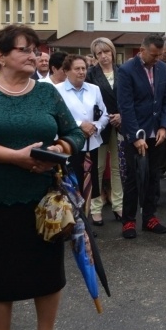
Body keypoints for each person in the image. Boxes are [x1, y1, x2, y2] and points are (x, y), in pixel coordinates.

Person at [0, 24, 84, 330]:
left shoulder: (46, 92)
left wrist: (58, 149)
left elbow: (75, 134)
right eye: (25, 49)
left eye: (35, 49)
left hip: (42, 202)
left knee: (47, 276)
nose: (34, 55)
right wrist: (15, 157)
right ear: (1, 56)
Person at [117, 34, 166, 239]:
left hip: (156, 133)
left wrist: (164, 127)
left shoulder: (163, 69)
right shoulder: (126, 70)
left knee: (153, 176)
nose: (157, 59)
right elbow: (126, 106)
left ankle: (150, 217)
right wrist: (135, 136)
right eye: (154, 55)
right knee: (133, 178)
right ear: (142, 50)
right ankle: (129, 221)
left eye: (160, 55)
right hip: (136, 134)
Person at [55, 54, 109, 213]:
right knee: (72, 184)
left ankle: (86, 220)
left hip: (91, 143)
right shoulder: (57, 90)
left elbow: (104, 114)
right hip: (69, 144)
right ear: (66, 71)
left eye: (84, 68)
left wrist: (95, 127)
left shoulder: (94, 89)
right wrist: (80, 125)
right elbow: (56, 116)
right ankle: (73, 220)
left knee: (90, 184)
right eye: (77, 69)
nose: (81, 72)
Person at [86, 37, 123, 225]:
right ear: (95, 56)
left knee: (118, 167)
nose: (103, 56)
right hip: (99, 126)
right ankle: (95, 208)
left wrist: (122, 115)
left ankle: (119, 205)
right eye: (99, 53)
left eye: (106, 51)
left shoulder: (122, 71)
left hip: (120, 124)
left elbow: (129, 97)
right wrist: (103, 118)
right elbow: (87, 101)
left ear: (113, 52)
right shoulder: (90, 74)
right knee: (98, 168)